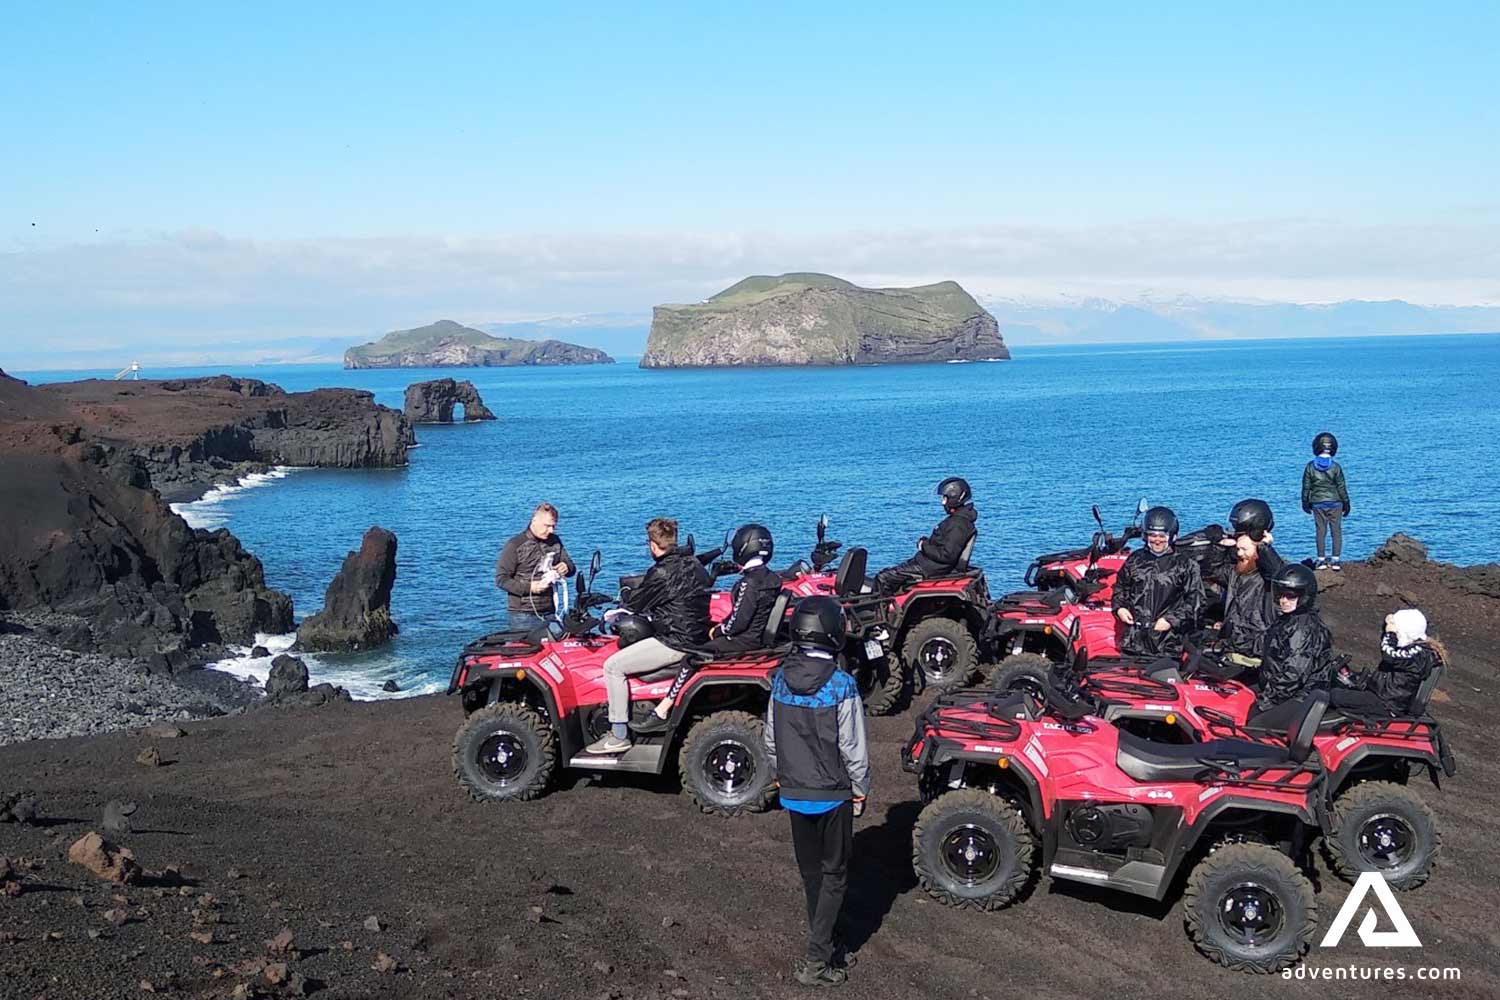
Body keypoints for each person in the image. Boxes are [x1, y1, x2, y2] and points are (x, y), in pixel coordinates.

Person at [765, 595, 870, 988]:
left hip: (794, 790)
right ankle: (817, 959)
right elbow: (853, 747)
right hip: (833, 792)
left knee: (812, 874)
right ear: (834, 633)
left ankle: (821, 939)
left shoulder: (779, 681)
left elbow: (771, 740)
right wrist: (860, 789)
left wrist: (781, 777)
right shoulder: (841, 685)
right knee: (835, 875)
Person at [632, 524, 783, 735]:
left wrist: (718, 631)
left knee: (691, 658)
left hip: (742, 640)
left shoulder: (749, 583)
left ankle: (663, 709)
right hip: (755, 638)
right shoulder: (772, 578)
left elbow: (737, 622)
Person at [585, 517, 710, 755]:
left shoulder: (661, 572)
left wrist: (616, 607)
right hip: (697, 635)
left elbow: (637, 603)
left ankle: (618, 734)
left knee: (612, 666)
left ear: (653, 545)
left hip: (676, 641)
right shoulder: (693, 564)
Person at [1248, 563, 1334, 728]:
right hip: (1280, 689)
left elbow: (1293, 674)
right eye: (1281, 595)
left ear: (1304, 597)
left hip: (1302, 696)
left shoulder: (1304, 628)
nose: (1283, 601)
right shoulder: (1287, 620)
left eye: (1290, 596)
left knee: (1253, 727)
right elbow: (1268, 647)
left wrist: (1265, 701)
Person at [1111, 505, 1204, 656]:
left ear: (1172, 536)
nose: (1157, 540)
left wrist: (1170, 620)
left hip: (1168, 643)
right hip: (1133, 641)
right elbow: (1120, 588)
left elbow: (1196, 601)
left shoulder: (1186, 564)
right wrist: (1120, 608)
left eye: (1162, 536)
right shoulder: (1135, 559)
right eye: (1152, 535)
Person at [1210, 499, 1286, 668]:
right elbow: (1212, 571)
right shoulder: (1235, 572)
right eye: (1238, 549)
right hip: (1233, 644)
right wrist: (1220, 547)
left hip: (1256, 647)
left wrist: (1265, 548)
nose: (1240, 554)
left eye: (1244, 550)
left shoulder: (1268, 576)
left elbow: (1277, 576)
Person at [873, 477, 978, 594]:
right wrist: (927, 542)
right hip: (928, 564)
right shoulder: (958, 521)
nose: (942, 502)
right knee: (892, 574)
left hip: (930, 568)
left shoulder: (958, 524)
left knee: (883, 578)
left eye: (945, 498)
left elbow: (947, 555)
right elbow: (945, 545)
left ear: (954, 497)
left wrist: (923, 546)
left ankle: (875, 610)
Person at [1333, 609, 1446, 717]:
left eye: (1397, 630)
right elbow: (1387, 644)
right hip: (1379, 693)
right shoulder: (1412, 647)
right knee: (1337, 685)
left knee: (1333, 696)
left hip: (1386, 704)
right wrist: (1387, 626)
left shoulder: (1418, 654)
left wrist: (1391, 633)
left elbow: (1390, 655)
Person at [494, 503, 574, 631]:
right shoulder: (514, 545)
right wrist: (531, 587)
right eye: (547, 526)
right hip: (523, 614)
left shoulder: (555, 541)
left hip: (550, 611)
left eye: (553, 526)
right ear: (534, 520)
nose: (551, 530)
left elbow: (570, 566)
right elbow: (501, 579)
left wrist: (566, 567)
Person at [1301, 431, 1351, 571]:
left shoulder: (1310, 467)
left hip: (1317, 503)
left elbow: (1306, 487)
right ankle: (1335, 560)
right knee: (1336, 531)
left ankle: (1321, 560)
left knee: (1320, 531)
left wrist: (1305, 502)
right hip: (1336, 502)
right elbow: (1341, 487)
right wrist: (1346, 503)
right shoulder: (1336, 467)